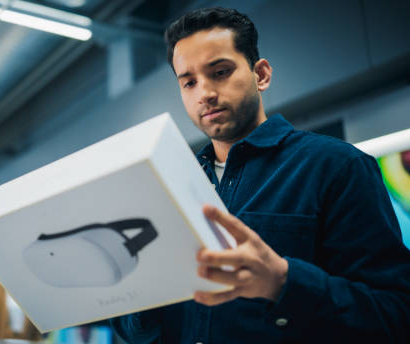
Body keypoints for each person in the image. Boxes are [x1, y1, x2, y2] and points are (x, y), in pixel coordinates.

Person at [111, 7, 410, 343]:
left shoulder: (337, 166)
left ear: (261, 74)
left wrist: (283, 282)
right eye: (190, 82)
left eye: (220, 71)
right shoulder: (169, 188)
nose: (205, 93)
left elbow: (396, 313)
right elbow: (138, 332)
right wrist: (139, 293)